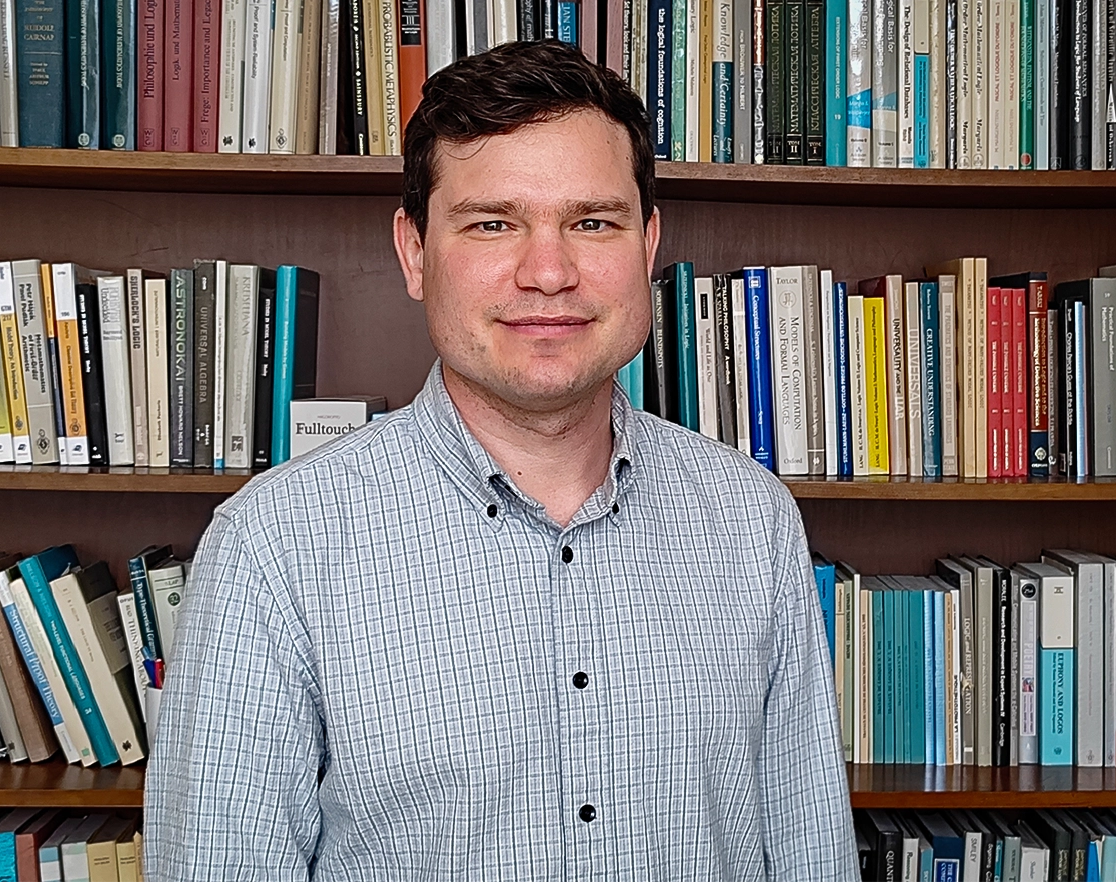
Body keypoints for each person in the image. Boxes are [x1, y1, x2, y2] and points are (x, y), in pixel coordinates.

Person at [143, 39, 859, 880]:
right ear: (415, 253)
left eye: (592, 222)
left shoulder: (752, 516)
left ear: (648, 245)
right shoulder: (274, 545)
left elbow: (811, 853)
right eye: (493, 223)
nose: (548, 272)